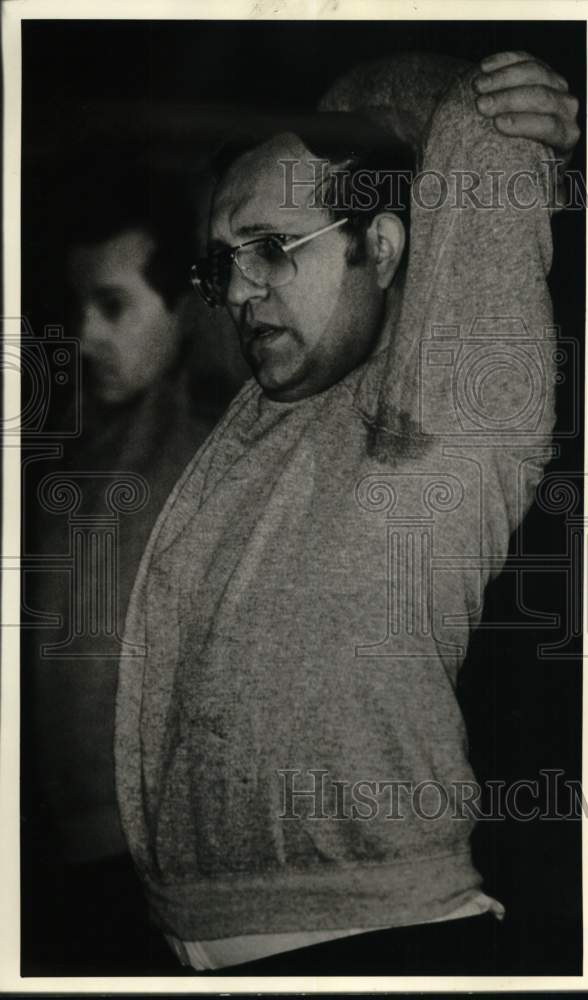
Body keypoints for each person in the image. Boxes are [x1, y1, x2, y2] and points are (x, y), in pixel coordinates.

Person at [114, 50, 580, 975]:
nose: (237, 291)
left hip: (373, 946)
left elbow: (476, 129)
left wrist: (507, 114)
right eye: (225, 262)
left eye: (271, 248)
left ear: (386, 246)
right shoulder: (280, 412)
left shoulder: (444, 406)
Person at [21, 168, 242, 974]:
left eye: (113, 306)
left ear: (181, 307)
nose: (85, 335)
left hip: (168, 865)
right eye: (79, 307)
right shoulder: (64, 449)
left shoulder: (219, 450)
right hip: (59, 852)